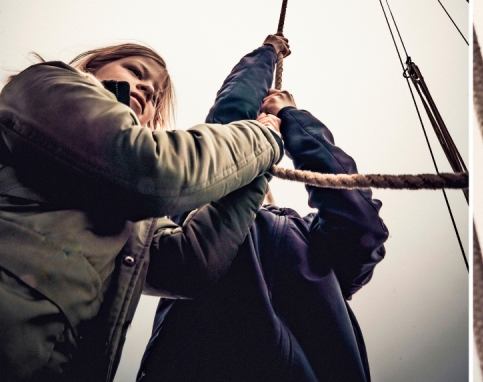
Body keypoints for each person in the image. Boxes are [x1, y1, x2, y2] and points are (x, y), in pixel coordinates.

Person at [0, 43, 283, 381]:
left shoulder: (133, 217)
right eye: (135, 72)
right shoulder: (47, 87)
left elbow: (191, 262)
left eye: (155, 96)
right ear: (92, 67)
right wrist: (260, 139)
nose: (148, 89)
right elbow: (150, 167)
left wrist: (257, 168)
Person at [137, 36, 388, 382]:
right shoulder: (195, 213)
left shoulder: (311, 238)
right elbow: (225, 129)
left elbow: (360, 221)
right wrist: (266, 54)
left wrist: (291, 117)